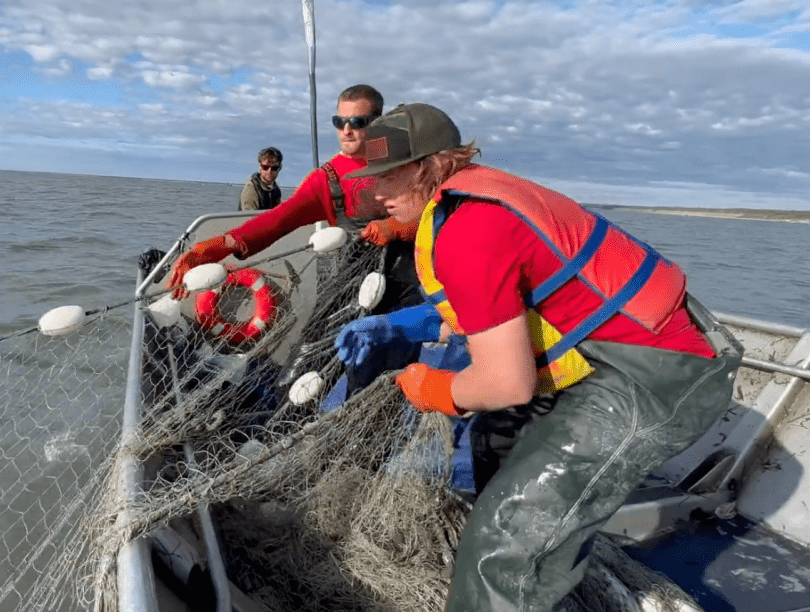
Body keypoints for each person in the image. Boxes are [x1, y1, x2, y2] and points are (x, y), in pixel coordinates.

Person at [337, 103, 743, 612]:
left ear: (431, 166)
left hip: (658, 377)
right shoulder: (475, 201)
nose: (376, 191)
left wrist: (435, 389)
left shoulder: (467, 230)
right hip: (629, 355)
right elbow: (503, 318)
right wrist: (415, 327)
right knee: (497, 449)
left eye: (388, 176)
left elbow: (508, 383)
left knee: (502, 547)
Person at [167, 84, 419, 305]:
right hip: (359, 287)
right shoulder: (326, 179)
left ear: (378, 122)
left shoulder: (408, 161)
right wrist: (212, 248)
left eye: (357, 122)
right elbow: (277, 221)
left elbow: (441, 209)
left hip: (417, 281)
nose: (346, 130)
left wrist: (397, 227)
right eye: (339, 122)